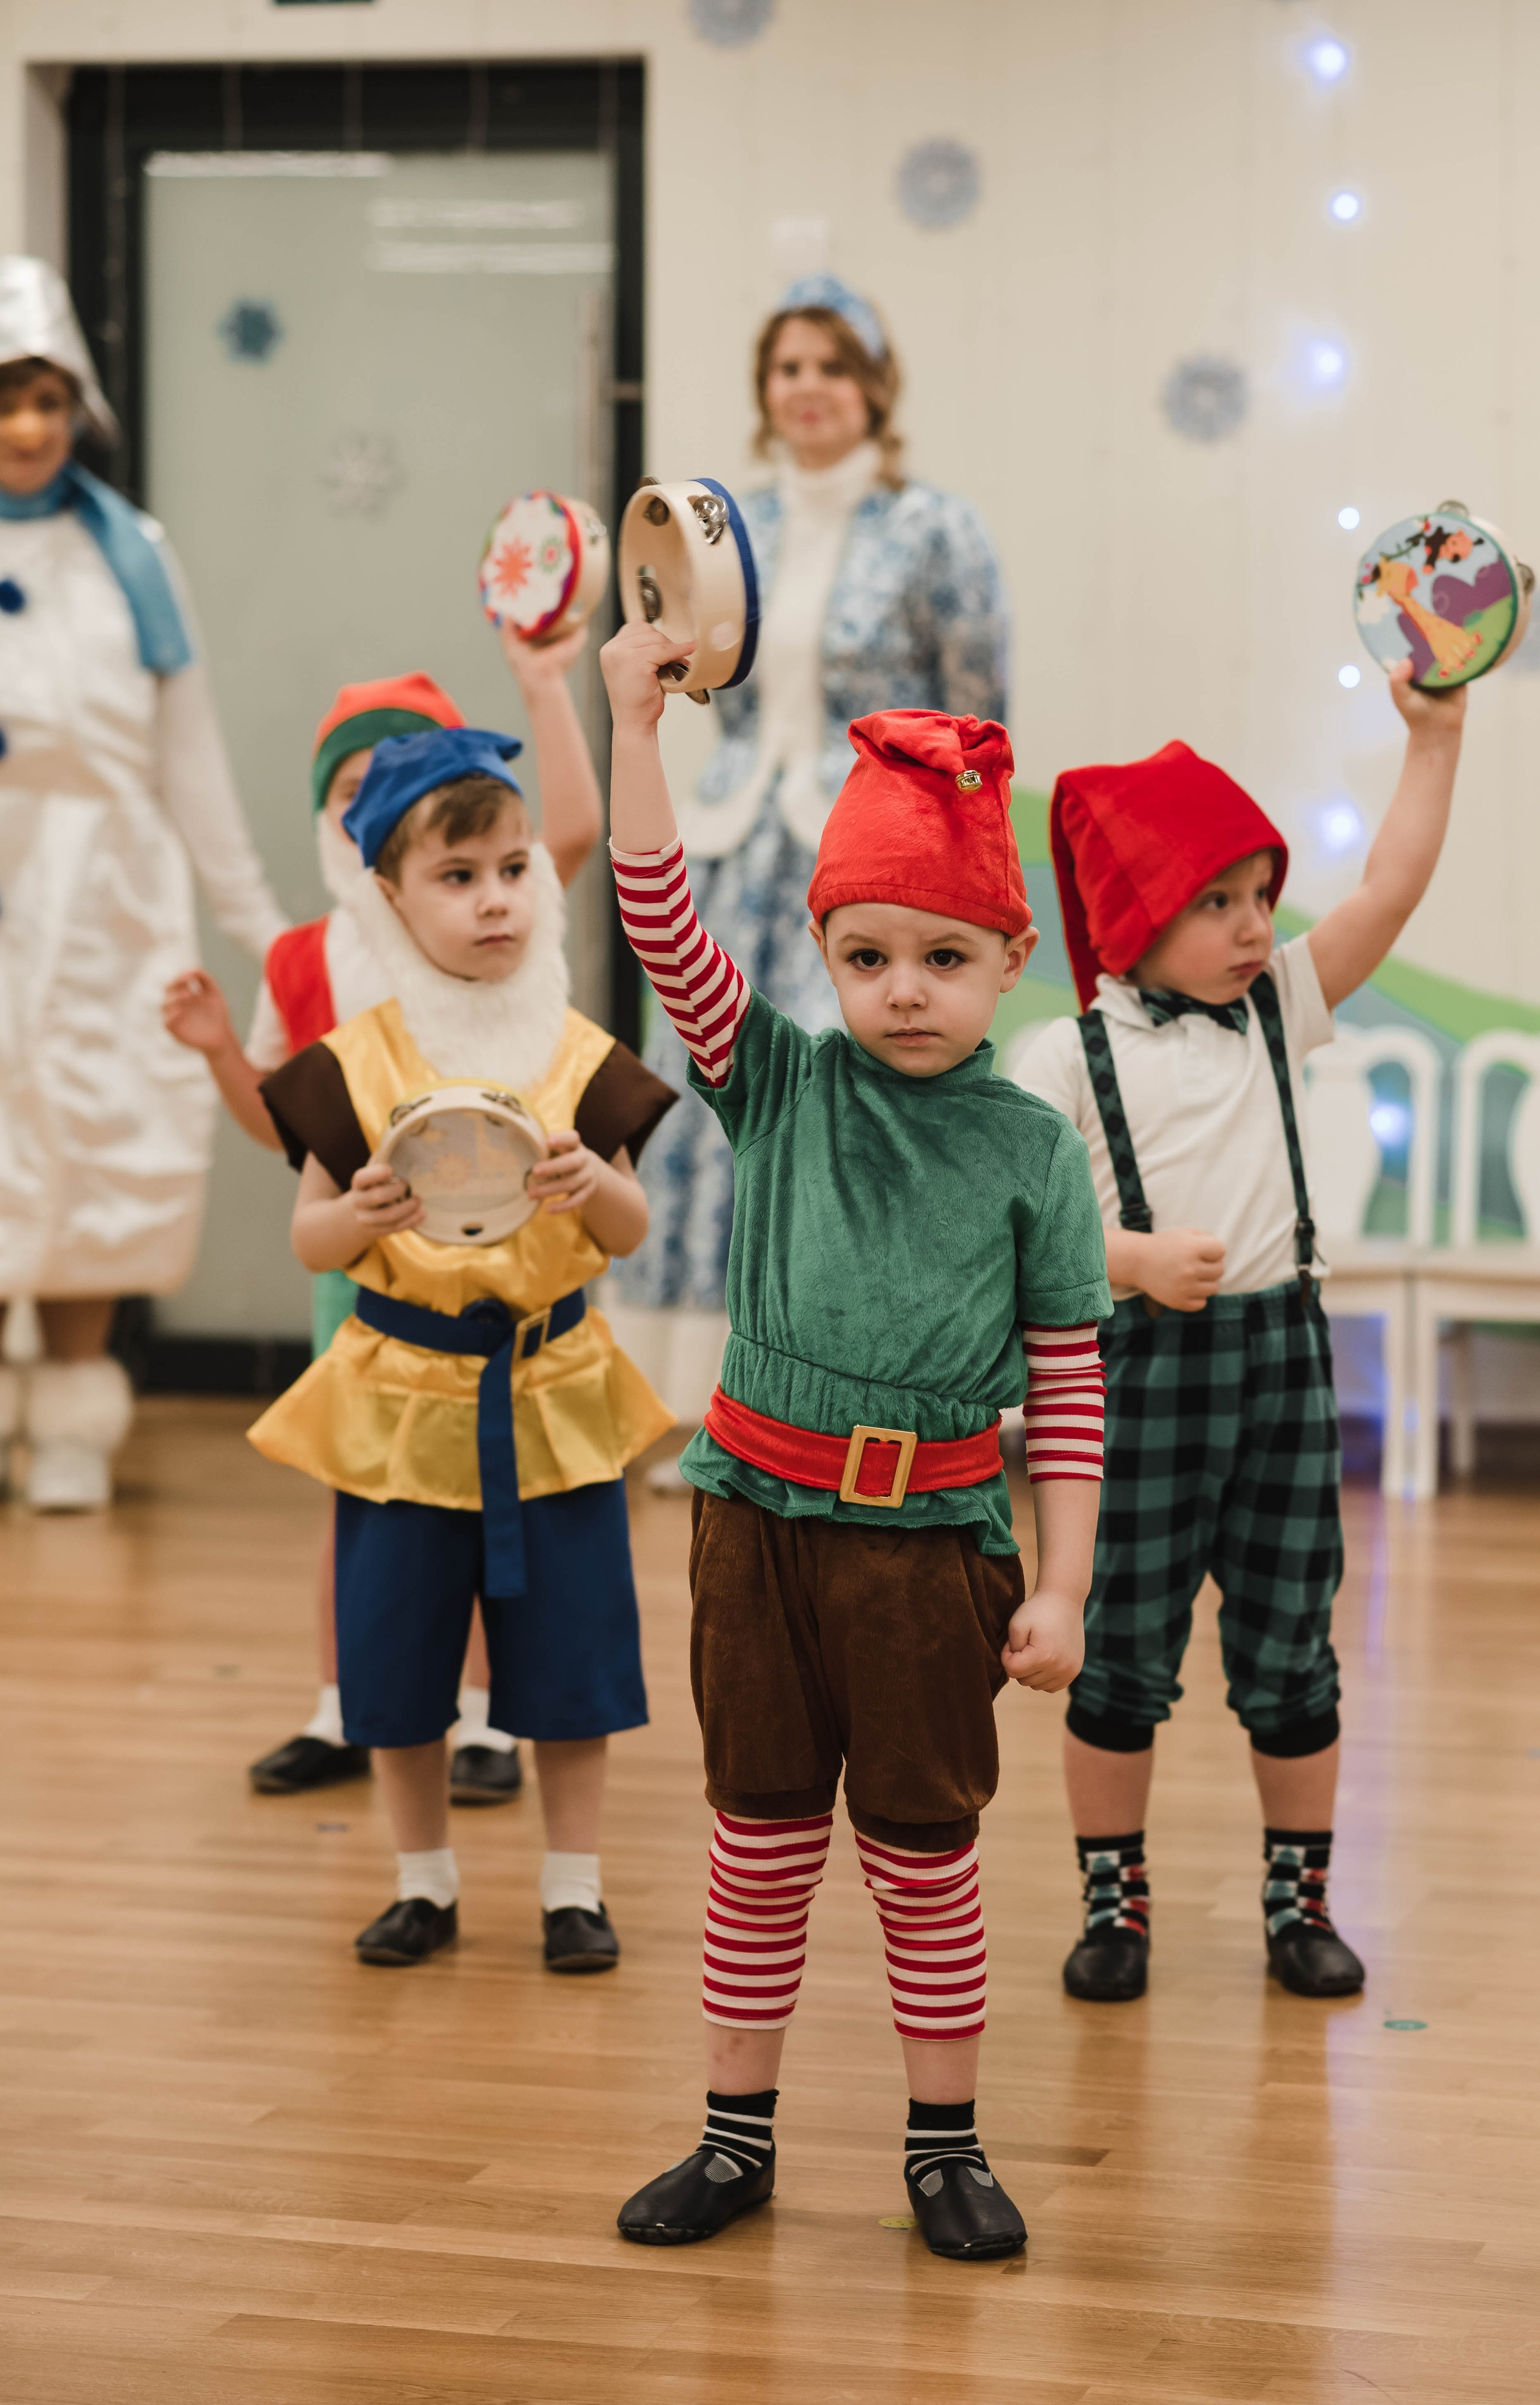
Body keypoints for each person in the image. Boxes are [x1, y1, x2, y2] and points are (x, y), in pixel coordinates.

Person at [602, 618, 1111, 2260]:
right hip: (754, 1524)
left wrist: (1063, 1589)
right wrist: (631, 720)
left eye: (945, 959)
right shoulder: (781, 1080)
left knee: (921, 1855)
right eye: (871, 953)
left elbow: (1069, 1386)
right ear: (825, 953)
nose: (906, 989)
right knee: (755, 1839)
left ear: (1004, 964)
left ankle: (943, 2146)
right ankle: (733, 2138)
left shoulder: (1033, 1150)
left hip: (930, 1555)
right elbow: (658, 916)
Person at [1011, 661, 1465, 2006]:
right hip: (1130, 1381)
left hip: (1280, 1369)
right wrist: (1128, 1260)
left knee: (1289, 1645)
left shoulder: (1277, 1006)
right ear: (1131, 913)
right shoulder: (1060, 1058)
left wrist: (1432, 737)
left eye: (1258, 896)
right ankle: (1111, 1895)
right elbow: (1016, 1240)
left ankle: (1296, 1892)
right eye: (1215, 901)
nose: (1252, 925)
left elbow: (1384, 887)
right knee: (1117, 1648)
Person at [244, 725, 676, 1971]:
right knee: (397, 1656)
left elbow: (632, 1230)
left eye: (513, 869)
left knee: (573, 1656)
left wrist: (594, 1181)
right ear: (389, 895)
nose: (495, 900)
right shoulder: (355, 1062)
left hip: (555, 1392)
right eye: (457, 876)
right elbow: (310, 1243)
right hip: (401, 1402)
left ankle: (574, 1886)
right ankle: (422, 1880)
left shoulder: (580, 1054)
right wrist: (352, 1215)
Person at [165, 630, 605, 1803]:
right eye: (351, 785)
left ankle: (479, 1717)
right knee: (370, 1493)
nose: (372, 797)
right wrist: (221, 1054)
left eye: (395, 774)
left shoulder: (498, 924)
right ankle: (347, 1704)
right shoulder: (307, 959)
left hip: (507, 1284)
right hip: (363, 1271)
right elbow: (289, 1133)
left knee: (490, 1490)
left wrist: (545, 682)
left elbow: (568, 832)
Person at [613, 272, 1009, 1449]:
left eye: (832, 365)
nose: (809, 389)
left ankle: (823, 1385)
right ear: (763, 389)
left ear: (874, 386)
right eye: (788, 367)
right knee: (704, 1100)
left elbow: (982, 715)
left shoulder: (937, 529)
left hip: (870, 861)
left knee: (832, 1111)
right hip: (739, 849)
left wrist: (962, 868)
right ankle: (699, 1402)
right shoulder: (736, 527)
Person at [0, 257, 285, 1509]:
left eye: (47, 400)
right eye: (6, 399)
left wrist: (267, 929)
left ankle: (71, 1416)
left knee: (97, 1133)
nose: (27, 427)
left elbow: (192, 760)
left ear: (80, 409)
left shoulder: (134, 554)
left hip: (108, 888)